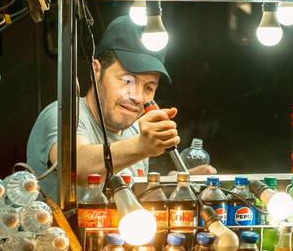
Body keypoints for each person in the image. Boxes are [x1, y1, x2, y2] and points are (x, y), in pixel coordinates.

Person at [26, 16, 214, 203]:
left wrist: (174, 182)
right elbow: (76, 167)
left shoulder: (135, 131)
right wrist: (141, 146)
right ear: (95, 70)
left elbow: (135, 196)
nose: (138, 97)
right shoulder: (65, 113)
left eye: (149, 87)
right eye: (127, 81)